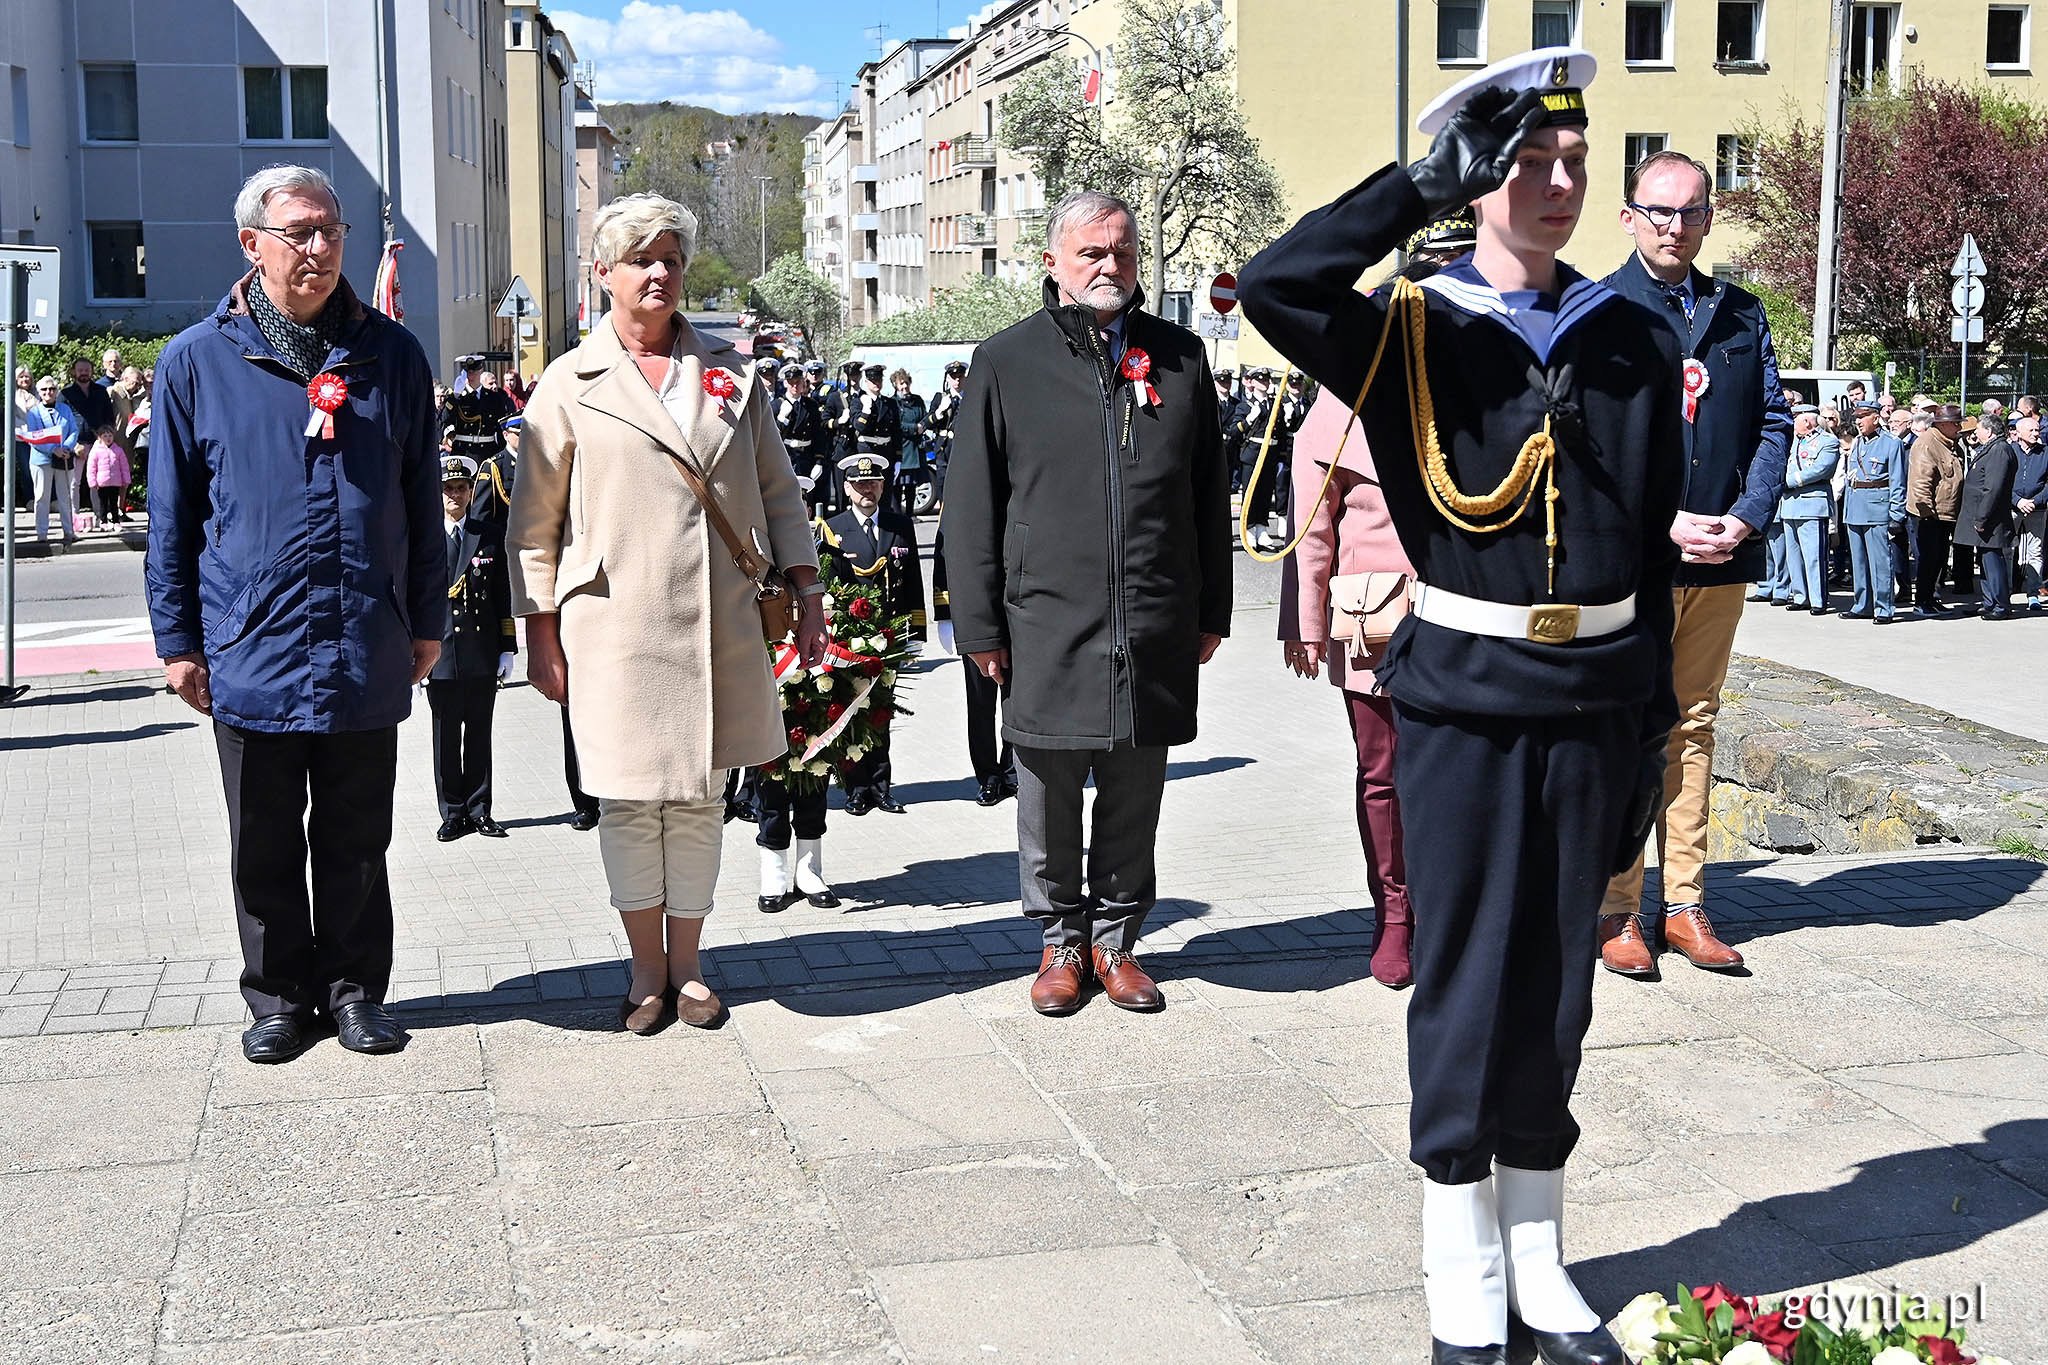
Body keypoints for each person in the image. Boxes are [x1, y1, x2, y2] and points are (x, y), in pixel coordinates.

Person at [1241, 47, 1681, 1365]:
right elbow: (1277, 282)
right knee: (1471, 976)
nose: (1556, 182)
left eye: (1572, 160)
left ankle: (1541, 1255)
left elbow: (1650, 545)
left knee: (1557, 986)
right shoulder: (1409, 331)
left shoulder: (1628, 334)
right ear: (1479, 178)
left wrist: (1652, 728)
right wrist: (1409, 188)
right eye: (1526, 161)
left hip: (1595, 694)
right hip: (1468, 700)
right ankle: (1460, 1258)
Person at [508, 192, 826, 1036]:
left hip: (720, 619)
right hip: (614, 623)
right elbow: (532, 527)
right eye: (641, 259)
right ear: (604, 274)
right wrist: (538, 631)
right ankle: (644, 969)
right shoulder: (568, 384)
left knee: (700, 798)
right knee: (625, 800)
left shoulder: (732, 374)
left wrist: (807, 585)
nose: (659, 273)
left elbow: (777, 490)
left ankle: (689, 967)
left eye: (672, 259)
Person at [146, 163, 443, 1065]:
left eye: (331, 230)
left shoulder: (392, 355)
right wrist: (179, 640)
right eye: (299, 233)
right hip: (251, 646)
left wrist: (425, 618)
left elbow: (422, 503)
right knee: (263, 841)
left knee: (358, 839)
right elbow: (171, 517)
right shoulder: (197, 360)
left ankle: (356, 993)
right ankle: (278, 997)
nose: (319, 248)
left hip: (364, 640)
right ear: (252, 245)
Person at [943, 188, 1232, 1019]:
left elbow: (1207, 495)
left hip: (1153, 617)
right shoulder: (1006, 361)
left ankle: (1116, 939)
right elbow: (971, 507)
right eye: (1092, 253)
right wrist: (980, 626)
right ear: (1053, 263)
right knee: (1049, 784)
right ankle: (1060, 940)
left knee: (1137, 785)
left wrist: (1210, 607)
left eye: (1123, 252)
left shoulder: (1179, 358)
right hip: (1046, 620)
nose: (1110, 267)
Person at [1597, 148, 1789, 978]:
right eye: (1660, 211)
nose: (1677, 227)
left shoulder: (1740, 312)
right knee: (1623, 728)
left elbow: (1775, 423)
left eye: (1692, 212)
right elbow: (1583, 444)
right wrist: (1660, 521)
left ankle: (1683, 903)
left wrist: (1745, 518)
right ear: (1629, 215)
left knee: (1696, 725)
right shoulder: (1599, 308)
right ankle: (1614, 907)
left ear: (1711, 218)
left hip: (1719, 561)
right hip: (1633, 565)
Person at [1278, 373, 1419, 991]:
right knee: (1383, 775)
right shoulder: (1342, 402)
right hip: (1379, 623)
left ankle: (1452, 912)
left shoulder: (1479, 382)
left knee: (1465, 775)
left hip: (1471, 621)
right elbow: (1312, 523)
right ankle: (1395, 915)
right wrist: (1307, 622)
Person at [818, 451, 928, 814]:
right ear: (847, 488)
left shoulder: (900, 525)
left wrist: (916, 632)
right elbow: (830, 585)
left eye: (874, 483)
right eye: (861, 484)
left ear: (883, 485)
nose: (868, 490)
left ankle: (881, 787)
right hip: (851, 639)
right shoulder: (833, 528)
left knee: (882, 711)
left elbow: (912, 580)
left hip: (889, 637)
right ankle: (855, 787)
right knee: (850, 712)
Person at [428, 453, 517, 841]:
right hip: (442, 655)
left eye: (461, 488)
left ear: (470, 491)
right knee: (446, 738)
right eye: (448, 489)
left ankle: (480, 809)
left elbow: (503, 593)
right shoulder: (426, 538)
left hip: (481, 650)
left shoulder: (489, 535)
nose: (455, 496)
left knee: (479, 734)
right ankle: (452, 812)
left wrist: (507, 648)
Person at [931, 526, 1016, 805]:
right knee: (980, 703)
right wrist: (945, 615)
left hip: (1017, 615)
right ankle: (988, 775)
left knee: (1015, 700)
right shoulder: (969, 491)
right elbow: (946, 554)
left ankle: (1013, 769)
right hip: (978, 620)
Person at [1840, 400, 1908, 623]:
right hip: (1855, 506)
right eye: (1856, 417)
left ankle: (1883, 607)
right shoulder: (1858, 442)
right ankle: (1862, 604)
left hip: (1878, 507)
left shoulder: (1891, 444)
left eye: (1863, 416)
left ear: (1876, 418)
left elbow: (1898, 482)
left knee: (1880, 562)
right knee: (1858, 562)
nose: (1858, 421)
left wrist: (1896, 514)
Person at [1955, 411, 2019, 619]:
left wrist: (1982, 517)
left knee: (1993, 560)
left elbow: (1993, 488)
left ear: (1989, 431)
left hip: (1990, 519)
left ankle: (2001, 604)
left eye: (1979, 429)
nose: (1976, 432)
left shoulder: (1999, 450)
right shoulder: (1991, 448)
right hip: (1983, 517)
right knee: (1984, 560)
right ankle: (1989, 601)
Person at [1778, 406, 1838, 616]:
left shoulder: (1827, 442)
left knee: (1814, 556)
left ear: (1808, 421)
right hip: (1790, 505)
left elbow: (1822, 469)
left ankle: (1818, 599)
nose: (1792, 422)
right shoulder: (1792, 441)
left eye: (1796, 419)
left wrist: (1790, 481)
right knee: (1793, 556)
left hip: (1812, 505)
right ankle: (1800, 596)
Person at [1907, 404, 1965, 616]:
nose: (1959, 426)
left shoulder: (1951, 443)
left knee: (1939, 558)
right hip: (1930, 515)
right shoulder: (1927, 444)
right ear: (1943, 424)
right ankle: (1922, 601)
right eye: (1956, 423)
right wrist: (1927, 513)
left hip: (1946, 512)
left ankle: (1930, 597)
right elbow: (1921, 481)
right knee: (1928, 559)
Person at [18, 376, 83, 544]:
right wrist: (53, 450)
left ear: (56, 391)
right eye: (45, 390)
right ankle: (41, 532)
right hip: (41, 459)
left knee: (65, 496)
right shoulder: (34, 412)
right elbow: (34, 436)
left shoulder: (65, 409)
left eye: (52, 389)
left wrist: (66, 448)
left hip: (64, 457)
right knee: (41, 496)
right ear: (39, 393)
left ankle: (69, 531)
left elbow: (74, 431)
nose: (49, 392)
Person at [774, 362, 828, 513]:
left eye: (798, 382)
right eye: (791, 382)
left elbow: (819, 435)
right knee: (785, 497)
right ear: (785, 383)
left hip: (806, 457)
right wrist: (782, 419)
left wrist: (819, 460)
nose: (795, 386)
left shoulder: (811, 406)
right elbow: (772, 438)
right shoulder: (776, 405)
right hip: (786, 456)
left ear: (803, 382)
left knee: (807, 498)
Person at [2011, 411, 2047, 606]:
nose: (2036, 433)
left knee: (2035, 551)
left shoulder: (2045, 452)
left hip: (2037, 508)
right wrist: (2017, 501)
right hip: (2012, 507)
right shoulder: (2009, 451)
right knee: (2007, 549)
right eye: (2031, 430)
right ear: (2019, 432)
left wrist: (2036, 500)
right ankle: (2005, 591)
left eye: (2037, 429)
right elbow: (2002, 480)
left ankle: (2033, 593)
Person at [888, 367, 928, 512]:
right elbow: (895, 424)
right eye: (901, 384)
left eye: (906, 383)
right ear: (895, 385)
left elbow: (924, 416)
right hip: (901, 449)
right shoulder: (893, 402)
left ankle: (910, 514)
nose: (904, 386)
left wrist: (923, 426)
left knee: (912, 485)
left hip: (915, 448)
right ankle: (898, 514)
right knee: (897, 486)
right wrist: (913, 428)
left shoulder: (917, 400)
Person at [84, 425, 131, 532]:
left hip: (115, 482)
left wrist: (126, 480)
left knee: (114, 504)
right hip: (102, 482)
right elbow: (91, 467)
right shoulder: (95, 451)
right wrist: (92, 482)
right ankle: (103, 522)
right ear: (100, 438)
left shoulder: (118, 450)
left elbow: (124, 467)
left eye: (110, 435)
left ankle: (116, 521)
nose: (108, 438)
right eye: (105, 436)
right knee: (103, 504)